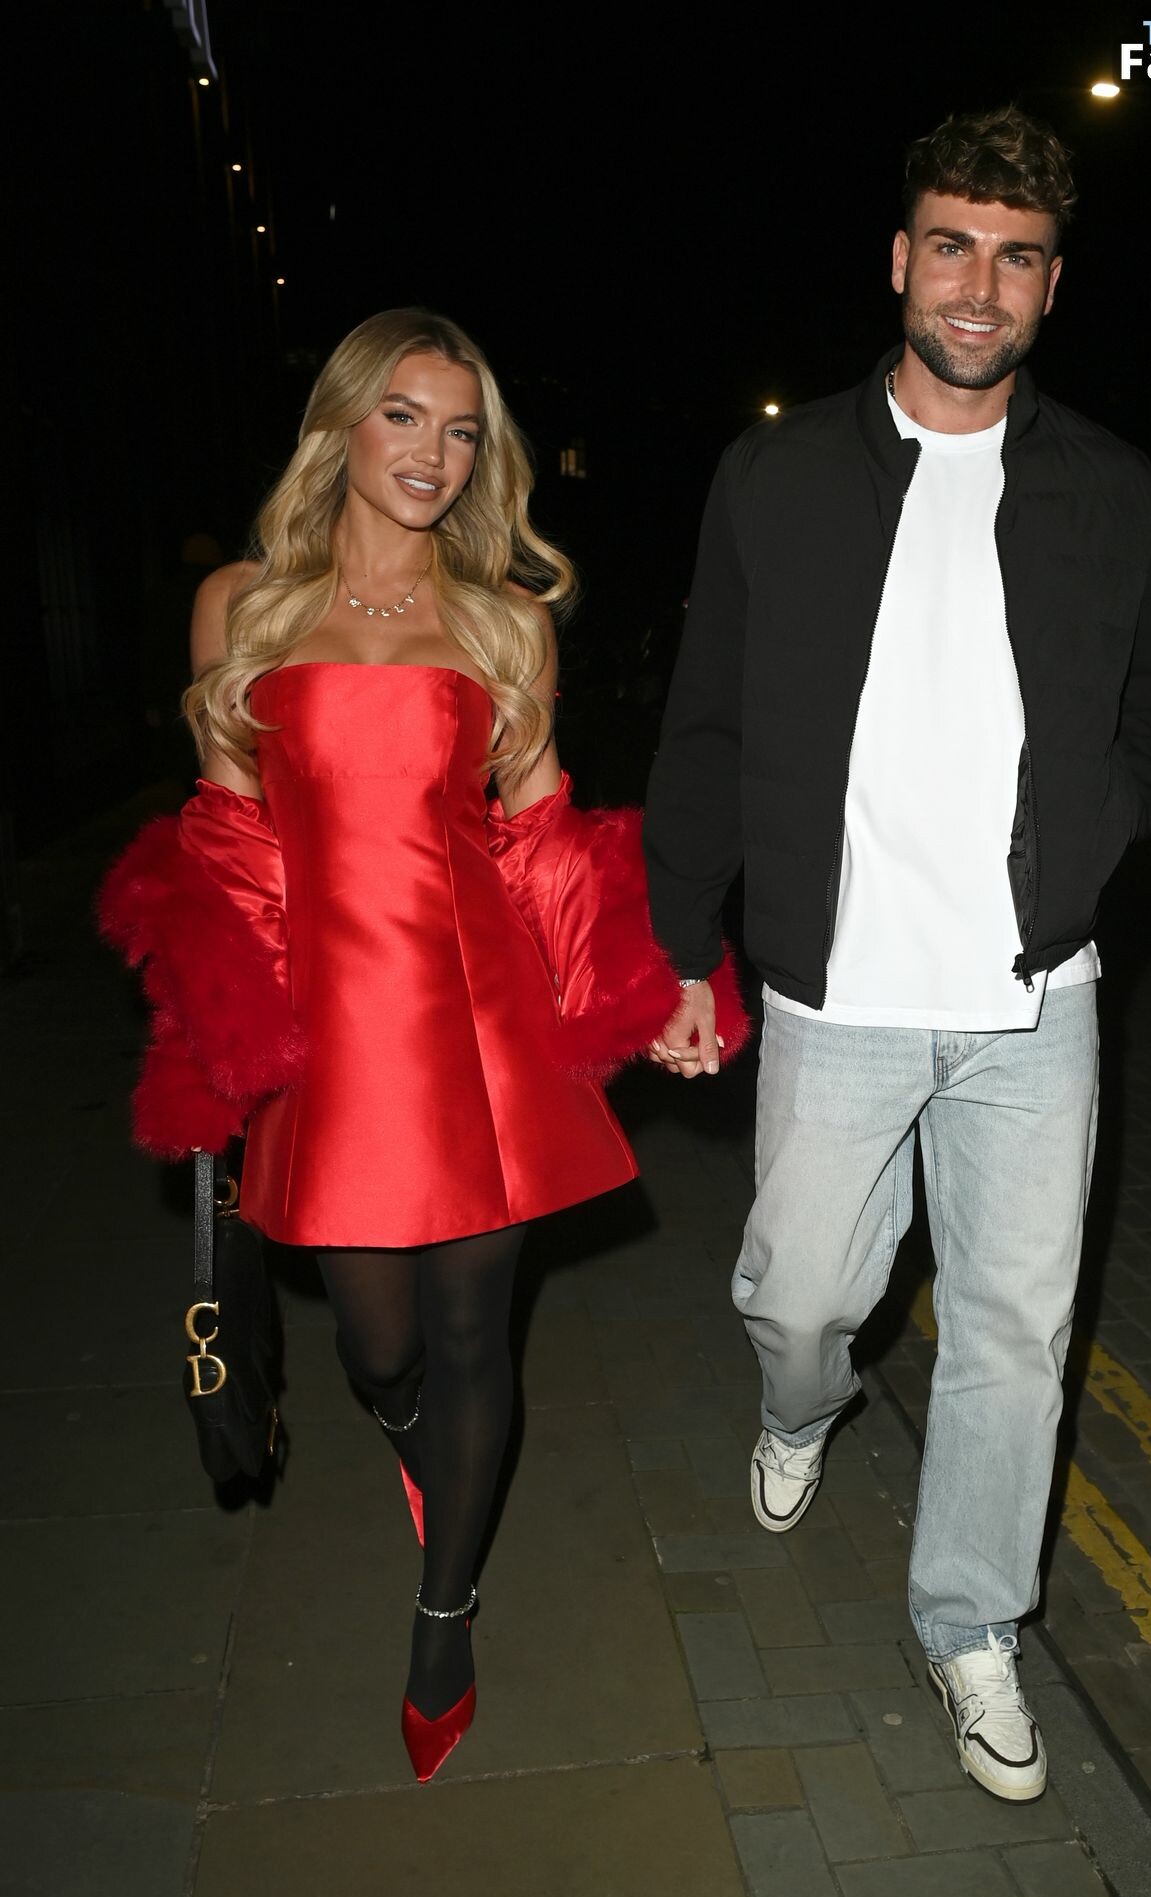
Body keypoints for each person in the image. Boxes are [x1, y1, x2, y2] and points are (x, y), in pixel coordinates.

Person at [100, 309, 743, 1783]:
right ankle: (415, 1438)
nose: (434, 454)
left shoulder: (504, 619)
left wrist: (665, 983)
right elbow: (232, 846)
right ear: (342, 424)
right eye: (404, 416)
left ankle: (443, 1608)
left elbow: (542, 840)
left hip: (479, 1017)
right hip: (335, 1033)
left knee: (472, 1335)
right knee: (377, 1345)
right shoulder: (242, 608)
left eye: (462, 431)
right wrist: (216, 1036)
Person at [643, 108, 1151, 1802]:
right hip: (838, 989)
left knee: (1015, 1335)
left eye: (1016, 258)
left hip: (1035, 1001)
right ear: (898, 260)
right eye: (950, 246)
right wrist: (682, 946)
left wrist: (1089, 850)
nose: (978, 285)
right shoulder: (780, 473)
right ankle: (799, 1408)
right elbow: (706, 719)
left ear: (1050, 287)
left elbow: (1150, 705)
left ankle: (970, 1624)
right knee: (803, 1296)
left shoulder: (1107, 486)